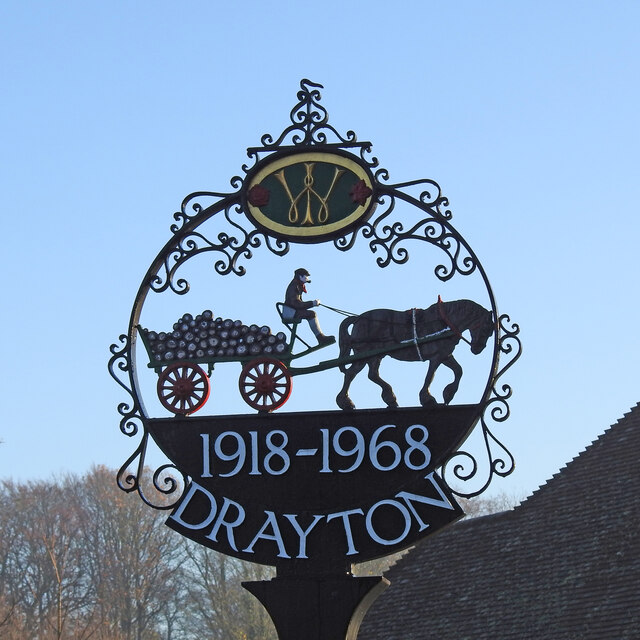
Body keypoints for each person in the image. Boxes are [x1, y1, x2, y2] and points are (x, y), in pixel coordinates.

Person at [283, 268, 334, 345]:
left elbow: (298, 304)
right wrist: (312, 303)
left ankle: (320, 337)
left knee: (311, 314)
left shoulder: (298, 285)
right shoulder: (295, 286)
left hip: (292, 310)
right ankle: (320, 338)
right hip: (290, 312)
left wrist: (312, 304)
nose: (307, 278)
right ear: (300, 276)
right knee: (311, 314)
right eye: (306, 276)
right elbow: (296, 304)